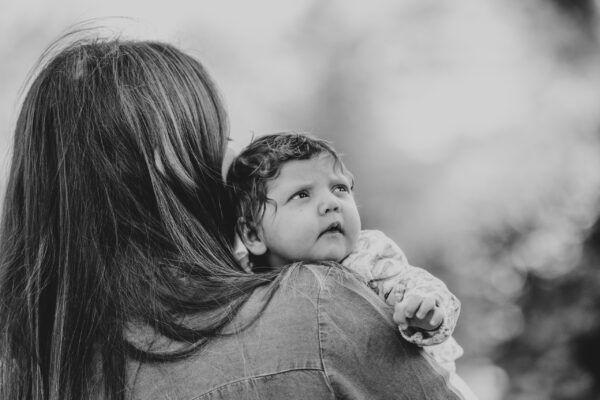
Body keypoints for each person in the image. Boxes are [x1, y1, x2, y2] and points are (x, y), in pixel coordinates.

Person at [0, 28, 464, 400]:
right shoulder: (315, 308)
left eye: (340, 188)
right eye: (218, 143)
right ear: (167, 166)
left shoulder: (25, 367)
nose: (231, 162)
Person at [225, 132, 478, 400]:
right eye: (301, 195)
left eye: (340, 188)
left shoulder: (366, 256)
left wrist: (425, 310)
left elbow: (417, 284)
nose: (332, 203)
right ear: (253, 234)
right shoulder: (242, 278)